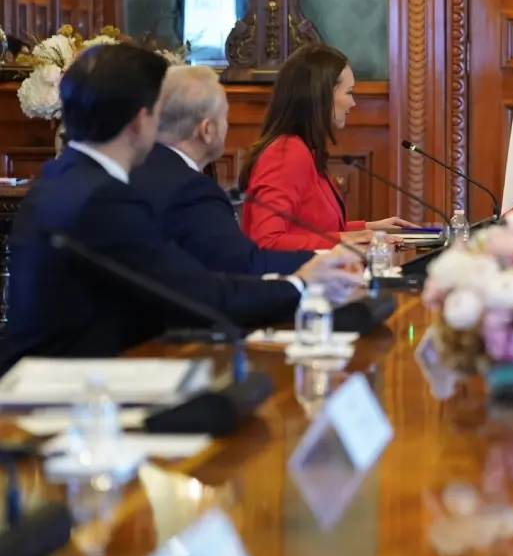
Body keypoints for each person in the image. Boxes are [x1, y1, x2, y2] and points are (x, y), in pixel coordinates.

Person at [2, 45, 365, 371]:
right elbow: (201, 295)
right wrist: (302, 285)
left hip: (60, 373)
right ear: (139, 121)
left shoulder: (60, 177)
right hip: (57, 392)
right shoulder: (104, 199)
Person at [129, 65, 313, 276]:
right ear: (207, 130)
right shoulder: (190, 190)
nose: (228, 125)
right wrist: (325, 259)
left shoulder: (133, 168)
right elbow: (243, 265)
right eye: (225, 116)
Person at [238, 43, 412, 250]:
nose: (353, 103)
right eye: (349, 92)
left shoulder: (303, 149)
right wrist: (348, 239)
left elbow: (311, 230)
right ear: (322, 95)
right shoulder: (285, 153)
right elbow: (267, 241)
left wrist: (368, 228)